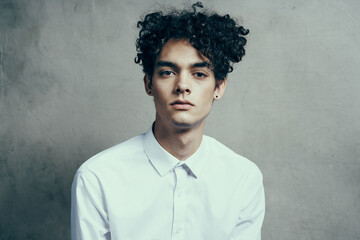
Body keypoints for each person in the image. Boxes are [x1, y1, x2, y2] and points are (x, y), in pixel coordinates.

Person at [71, 2, 265, 239]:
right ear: (148, 84)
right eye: (167, 72)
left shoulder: (243, 178)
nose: (182, 86)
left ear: (219, 87)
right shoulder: (97, 177)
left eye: (199, 74)